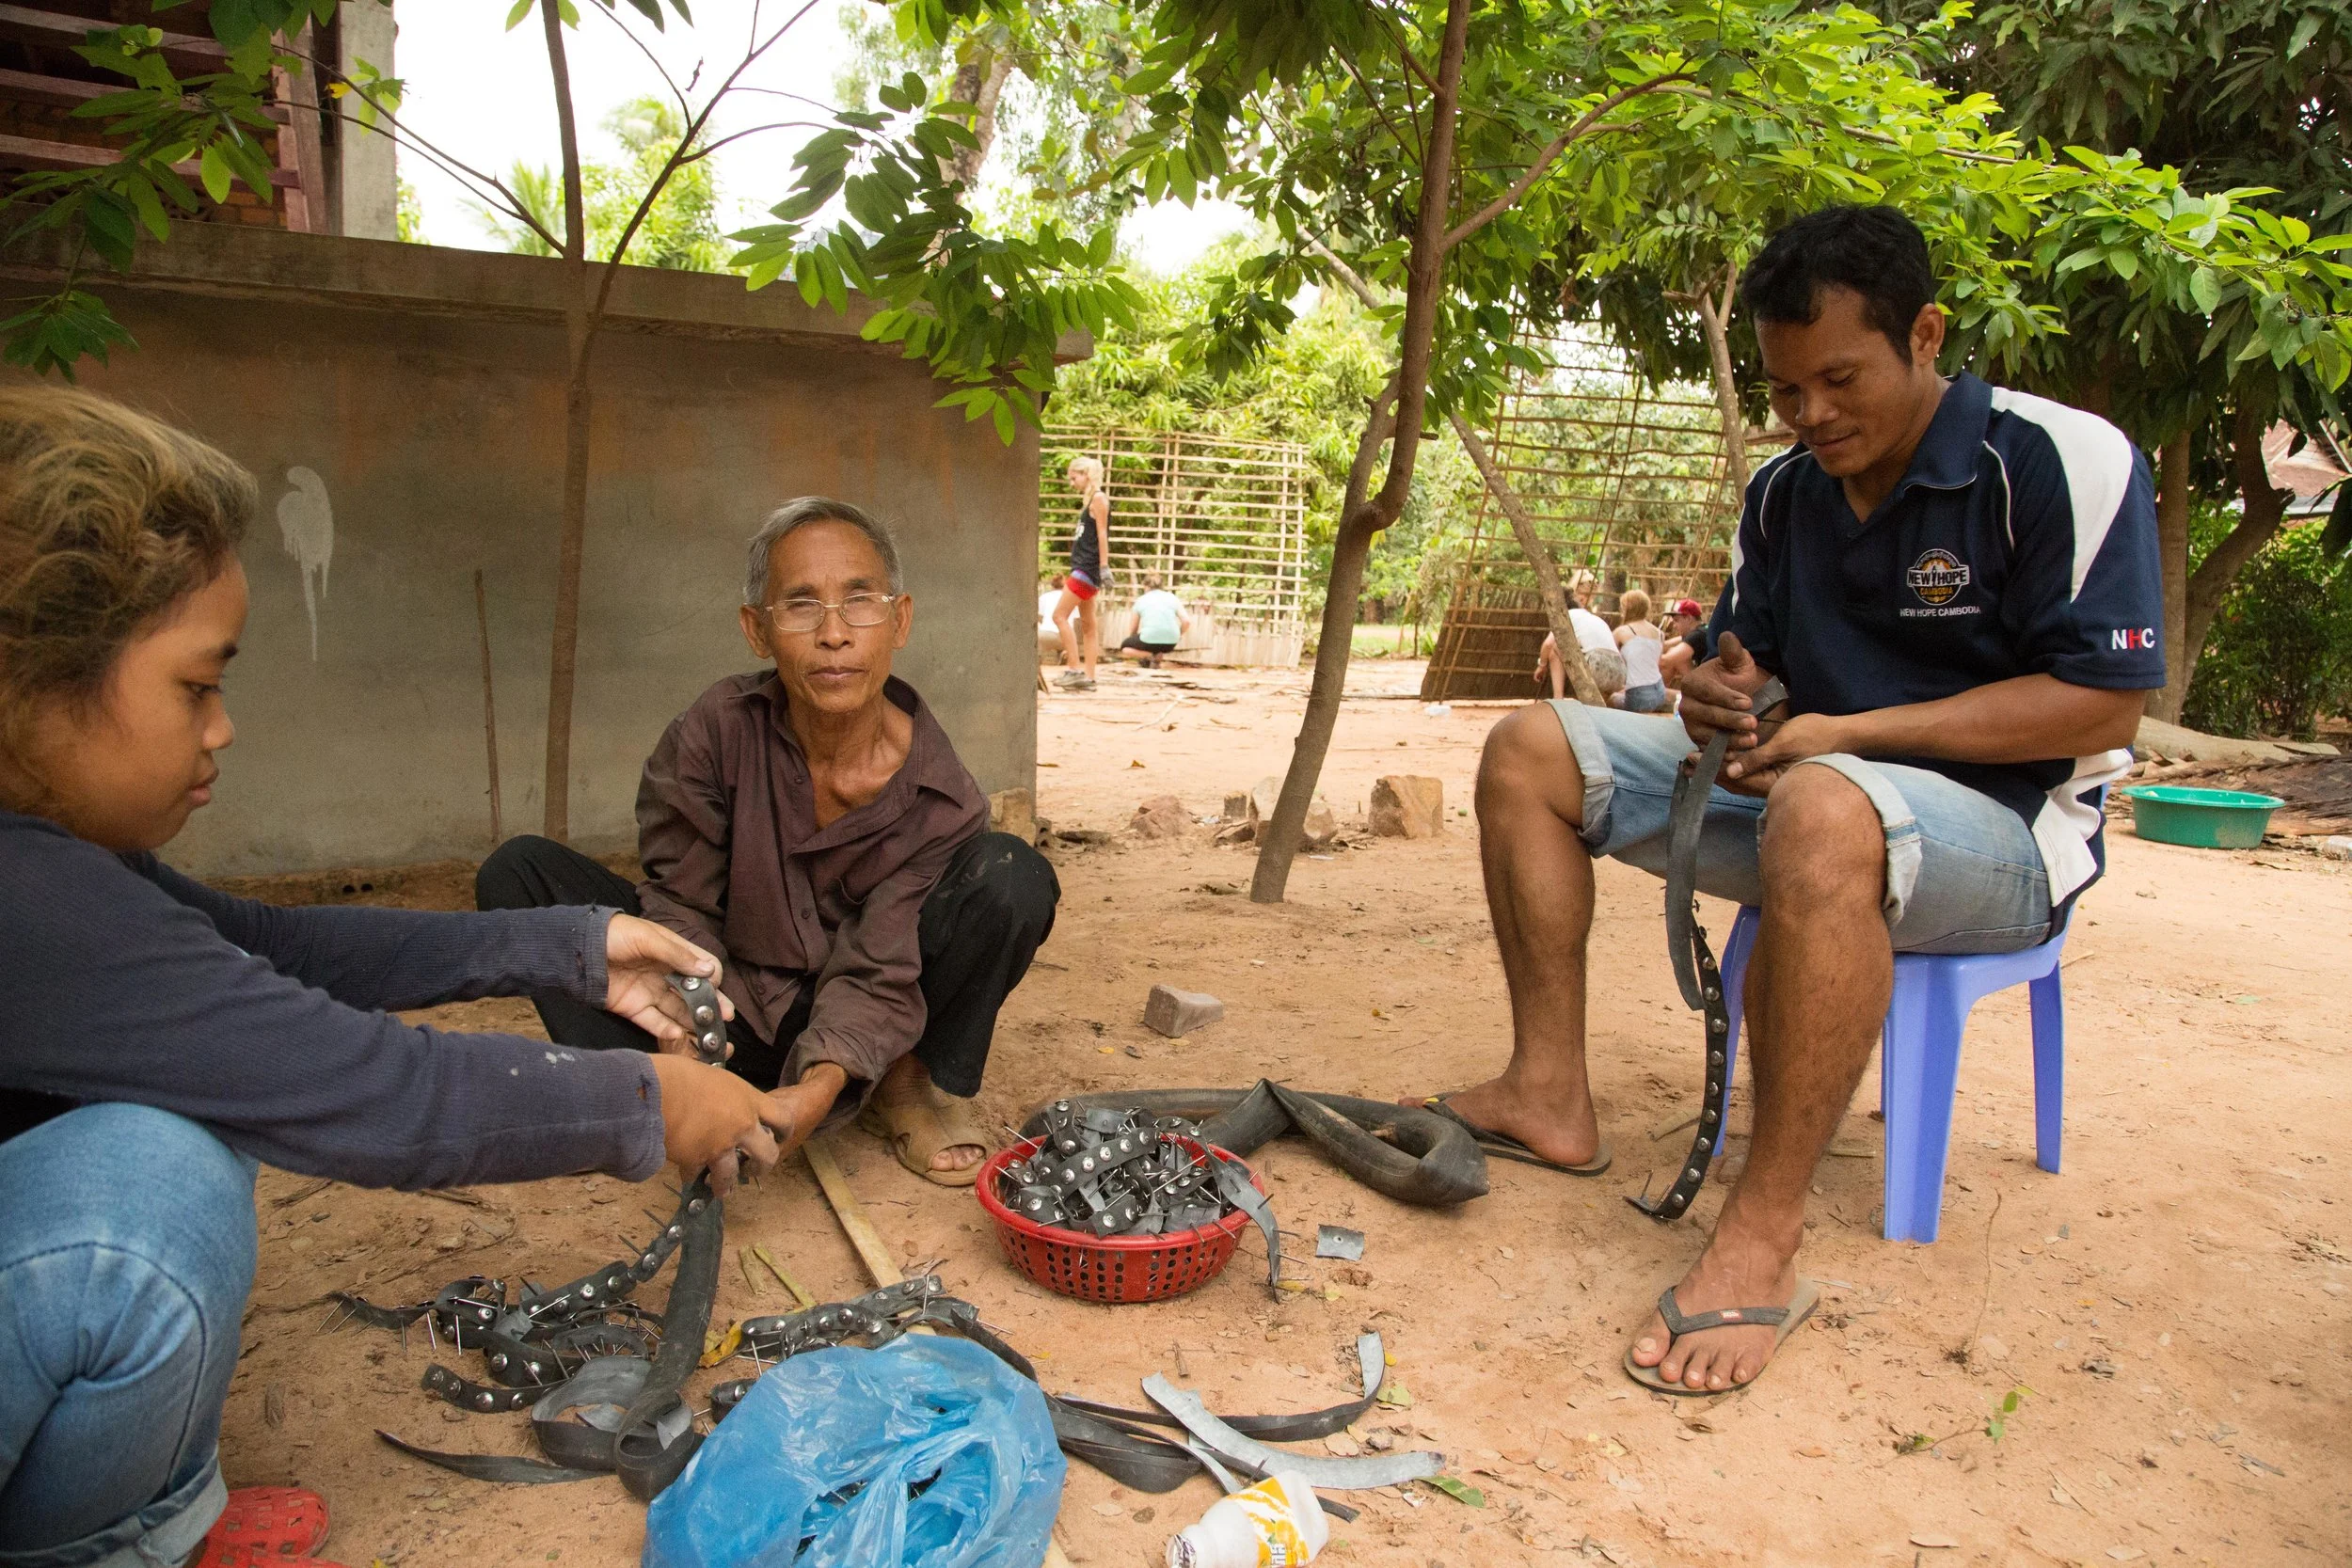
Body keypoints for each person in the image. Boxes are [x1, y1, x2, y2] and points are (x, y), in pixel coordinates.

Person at [0, 389, 792, 1568]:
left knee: (174, 1128)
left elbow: (271, 947)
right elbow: (373, 1090)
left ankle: (145, 1508)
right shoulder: (24, 900)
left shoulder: (63, 866)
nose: (221, 728)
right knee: (151, 1186)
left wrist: (573, 942)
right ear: (33, 684)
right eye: (195, 684)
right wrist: (653, 1102)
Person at [1423, 204, 2161, 1394]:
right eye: (1783, 390)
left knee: (1824, 803)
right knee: (1528, 748)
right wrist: (1725, 691)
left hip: (2010, 837)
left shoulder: (2054, 461)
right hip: (1813, 795)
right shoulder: (1786, 494)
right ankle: (1547, 1089)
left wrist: (1851, 735)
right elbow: (1743, 654)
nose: (1809, 415)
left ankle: (1763, 1226)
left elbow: (2102, 706)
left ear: (1923, 334)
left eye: (1837, 378)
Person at [479, 498, 1059, 1188]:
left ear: (899, 619)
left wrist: (814, 1092)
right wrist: (694, 1022)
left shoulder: (942, 796)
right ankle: (658, 1094)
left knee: (1011, 878)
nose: (835, 633)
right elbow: (680, 898)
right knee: (520, 876)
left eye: (860, 601)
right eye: (802, 605)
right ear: (758, 630)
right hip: (729, 1003)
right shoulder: (715, 731)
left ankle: (901, 1088)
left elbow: (879, 969)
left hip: (855, 1026)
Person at [1050, 455, 1113, 690]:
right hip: (1085, 567)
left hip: (1086, 568)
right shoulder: (1090, 502)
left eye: (1074, 477)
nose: (1072, 482)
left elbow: (1102, 534)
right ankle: (1089, 678)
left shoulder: (1098, 499)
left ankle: (1074, 669)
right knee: (1088, 625)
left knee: (1059, 616)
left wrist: (1104, 566)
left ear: (1086, 474)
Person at [1534, 570, 1626, 701]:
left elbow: (1548, 644)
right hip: (1620, 673)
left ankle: (1558, 698)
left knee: (1556, 647)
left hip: (1597, 668)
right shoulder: (1595, 619)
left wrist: (1541, 665)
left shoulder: (1566, 616)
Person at [1612, 588, 1670, 713]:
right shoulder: (1659, 633)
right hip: (1659, 691)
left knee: (1611, 699)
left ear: (1627, 608)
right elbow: (1656, 664)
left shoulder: (1621, 632)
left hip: (1639, 695)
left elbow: (1614, 665)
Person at [1117, 572, 1191, 667]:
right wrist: (1178, 635)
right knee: (1154, 641)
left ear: (1146, 586)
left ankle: (1152, 655)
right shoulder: (1172, 598)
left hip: (1148, 640)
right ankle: (1157, 656)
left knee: (1125, 647)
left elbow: (1133, 629)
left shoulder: (1141, 600)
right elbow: (1187, 622)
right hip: (1170, 643)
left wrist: (1134, 641)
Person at [1658, 595, 1708, 689]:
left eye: (1676, 621)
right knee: (1675, 653)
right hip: (1710, 681)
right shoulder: (1702, 631)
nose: (1674, 626)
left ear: (1689, 619)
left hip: (1710, 686)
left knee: (1676, 658)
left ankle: (1655, 692)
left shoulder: (1697, 635)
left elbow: (1665, 661)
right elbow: (1664, 645)